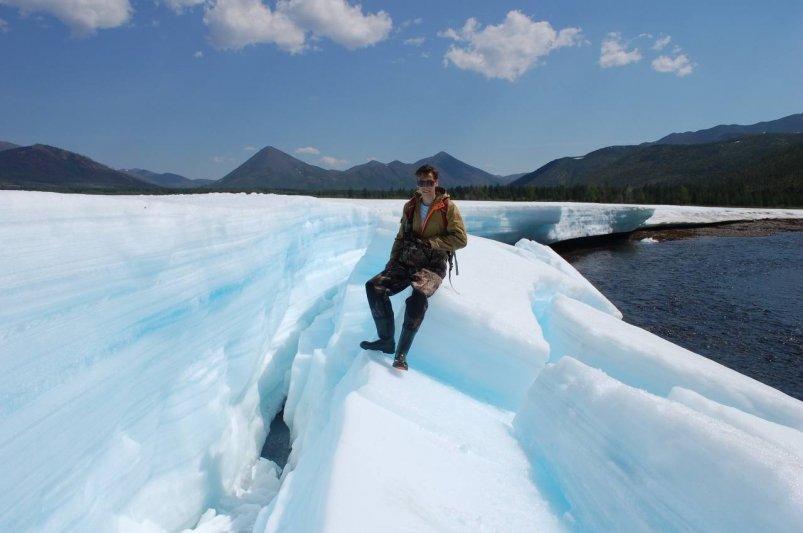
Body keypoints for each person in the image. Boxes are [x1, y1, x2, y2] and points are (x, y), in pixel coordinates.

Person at [360, 164, 467, 370]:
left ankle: (401, 354)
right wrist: (392, 261)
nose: (425, 186)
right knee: (373, 287)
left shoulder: (448, 208)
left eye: (429, 182)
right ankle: (386, 341)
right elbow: (401, 236)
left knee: (418, 296)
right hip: (407, 260)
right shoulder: (410, 206)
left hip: (432, 265)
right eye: (421, 182)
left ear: (436, 182)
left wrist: (432, 243)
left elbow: (461, 239)